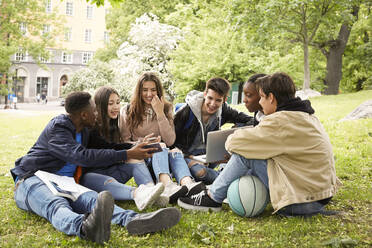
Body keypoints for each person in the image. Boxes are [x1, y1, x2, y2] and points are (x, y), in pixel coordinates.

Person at [10, 91, 181, 244]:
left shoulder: (84, 130)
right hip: (32, 179)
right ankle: (86, 228)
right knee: (56, 205)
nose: (97, 114)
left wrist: (135, 147)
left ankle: (135, 220)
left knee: (94, 199)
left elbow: (105, 147)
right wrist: (127, 155)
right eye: (94, 111)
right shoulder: (59, 127)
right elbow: (81, 156)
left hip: (64, 183)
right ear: (84, 115)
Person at [178, 72, 342, 217]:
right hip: (322, 196)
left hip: (302, 203)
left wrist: (241, 133)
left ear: (271, 97)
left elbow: (233, 144)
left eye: (262, 97)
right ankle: (224, 189)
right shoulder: (306, 116)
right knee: (256, 153)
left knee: (246, 155)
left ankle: (212, 198)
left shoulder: (280, 122)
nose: (261, 104)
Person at [120, 72, 204, 204]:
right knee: (162, 146)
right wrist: (143, 142)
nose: (149, 94)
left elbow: (170, 140)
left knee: (174, 151)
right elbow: (124, 142)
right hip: (142, 157)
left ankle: (187, 184)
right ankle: (166, 184)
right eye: (145, 90)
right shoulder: (128, 110)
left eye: (153, 90)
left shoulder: (166, 108)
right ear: (139, 91)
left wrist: (159, 112)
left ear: (158, 91)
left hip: (161, 159)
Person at [81, 86, 164, 211]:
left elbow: (117, 147)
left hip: (111, 172)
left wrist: (140, 144)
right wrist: (134, 147)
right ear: (100, 106)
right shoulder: (91, 128)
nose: (116, 107)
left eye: (118, 102)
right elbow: (108, 149)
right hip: (91, 178)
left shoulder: (113, 126)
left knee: (135, 161)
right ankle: (138, 194)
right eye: (111, 103)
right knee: (92, 178)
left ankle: (151, 190)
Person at [173, 77, 254, 185]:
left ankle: (225, 176)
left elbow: (251, 121)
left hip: (210, 157)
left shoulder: (223, 109)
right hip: (188, 156)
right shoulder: (186, 112)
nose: (212, 104)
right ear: (205, 94)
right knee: (200, 172)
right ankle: (232, 180)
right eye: (210, 98)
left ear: (225, 99)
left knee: (240, 129)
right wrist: (190, 157)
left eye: (218, 100)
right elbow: (172, 144)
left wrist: (235, 131)